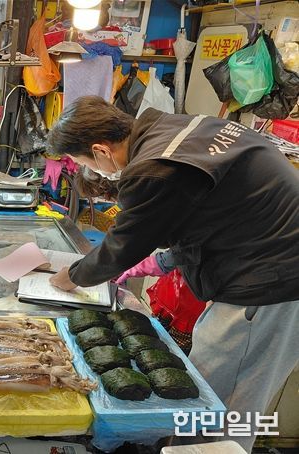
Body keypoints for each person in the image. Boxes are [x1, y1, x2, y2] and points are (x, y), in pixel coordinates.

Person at [47, 96, 299, 452]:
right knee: (213, 387)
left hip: (268, 284)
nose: (94, 171)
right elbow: (209, 215)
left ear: (101, 150)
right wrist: (165, 261)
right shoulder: (180, 128)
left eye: (85, 162)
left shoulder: (154, 166)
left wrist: (69, 277)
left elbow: (121, 247)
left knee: (223, 399)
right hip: (268, 269)